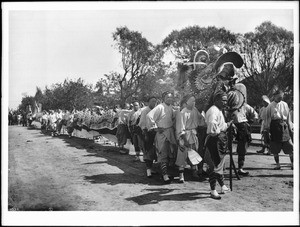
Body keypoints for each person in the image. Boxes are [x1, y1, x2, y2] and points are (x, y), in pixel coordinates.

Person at [204, 91, 232, 200]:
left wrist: (228, 124)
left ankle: (223, 186)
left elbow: (222, 125)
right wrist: (219, 131)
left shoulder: (219, 110)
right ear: (216, 101)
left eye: (226, 100)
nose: (225, 102)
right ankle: (213, 190)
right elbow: (212, 127)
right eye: (223, 100)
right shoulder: (213, 111)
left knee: (220, 164)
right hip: (214, 141)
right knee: (214, 166)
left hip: (220, 140)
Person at [146, 91, 177, 184]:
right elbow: (149, 116)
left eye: (171, 97)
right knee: (163, 154)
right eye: (167, 97)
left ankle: (167, 172)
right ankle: (164, 175)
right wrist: (155, 128)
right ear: (163, 98)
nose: (170, 99)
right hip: (162, 134)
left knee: (171, 154)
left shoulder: (172, 107)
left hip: (170, 133)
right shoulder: (159, 107)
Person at [175, 94, 204, 183]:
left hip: (193, 134)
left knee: (194, 153)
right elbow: (180, 127)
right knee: (182, 154)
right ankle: (181, 174)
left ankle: (194, 172)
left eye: (194, 101)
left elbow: (200, 121)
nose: (194, 103)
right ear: (186, 102)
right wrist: (185, 139)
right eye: (192, 101)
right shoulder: (182, 112)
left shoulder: (195, 110)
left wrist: (203, 115)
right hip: (185, 135)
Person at [265, 90, 293, 170]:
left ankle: (293, 164)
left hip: (284, 127)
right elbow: (267, 119)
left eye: (281, 97)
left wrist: (290, 127)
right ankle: (278, 164)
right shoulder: (270, 106)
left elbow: (288, 117)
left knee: (290, 147)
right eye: (279, 97)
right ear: (275, 96)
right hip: (274, 127)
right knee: (275, 148)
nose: (280, 98)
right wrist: (267, 130)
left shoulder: (285, 104)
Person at [231, 101, 258, 176]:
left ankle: (240, 168)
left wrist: (251, 121)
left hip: (243, 126)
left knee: (242, 148)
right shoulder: (228, 106)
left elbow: (255, 114)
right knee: (224, 147)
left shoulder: (244, 106)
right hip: (230, 126)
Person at [138, 96, 158, 178]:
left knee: (153, 151)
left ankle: (151, 168)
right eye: (152, 101)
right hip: (147, 133)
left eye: (155, 101)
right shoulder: (145, 111)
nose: (154, 103)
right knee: (147, 150)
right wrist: (145, 134)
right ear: (148, 102)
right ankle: (148, 171)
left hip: (154, 133)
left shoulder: (156, 110)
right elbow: (142, 124)